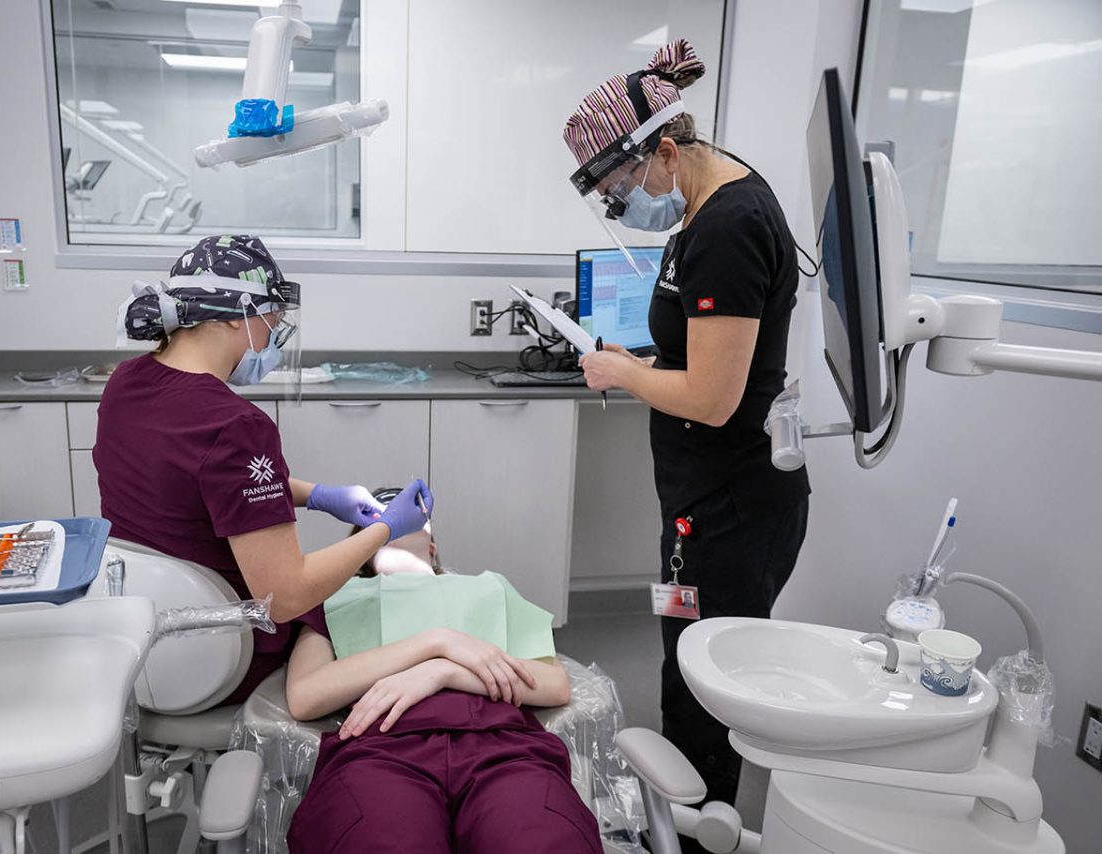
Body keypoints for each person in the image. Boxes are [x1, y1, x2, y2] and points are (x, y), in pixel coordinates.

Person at [563, 40, 811, 817]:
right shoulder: (707, 207)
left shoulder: (728, 226)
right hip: (700, 503)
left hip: (732, 508)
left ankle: (708, 826)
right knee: (682, 652)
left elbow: (710, 397)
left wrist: (618, 371)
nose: (622, 206)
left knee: (708, 682)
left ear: (665, 150)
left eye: (622, 187)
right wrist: (639, 359)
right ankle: (687, 815)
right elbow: (700, 350)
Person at [94, 234, 434, 704]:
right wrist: (386, 530)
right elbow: (286, 595)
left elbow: (194, 483)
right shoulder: (234, 424)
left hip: (141, 642)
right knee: (341, 604)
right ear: (238, 315)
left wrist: (316, 494)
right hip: (228, 655)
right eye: (273, 313)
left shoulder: (127, 382)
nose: (276, 327)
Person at [283, 521, 603, 854]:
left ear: (432, 546)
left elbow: (554, 685)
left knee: (540, 843)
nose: (395, 516)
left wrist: (443, 671)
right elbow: (306, 695)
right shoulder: (336, 600)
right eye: (377, 516)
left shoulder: (489, 590)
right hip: (381, 751)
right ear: (361, 550)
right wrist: (436, 642)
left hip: (505, 749)